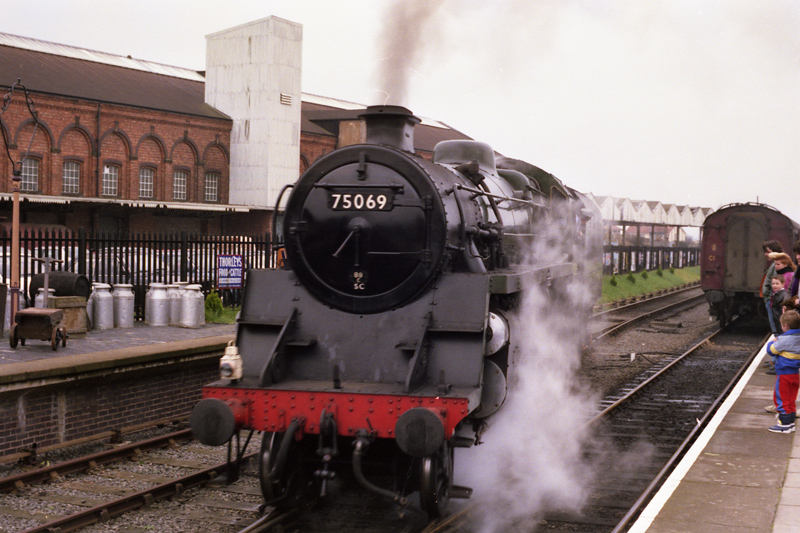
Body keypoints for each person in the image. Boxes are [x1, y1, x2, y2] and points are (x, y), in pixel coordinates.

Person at [765, 310, 800, 433]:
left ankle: (784, 425)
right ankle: (791, 423)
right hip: (795, 373)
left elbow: (771, 351)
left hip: (784, 373)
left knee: (782, 397)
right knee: (791, 398)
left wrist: (771, 342)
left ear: (785, 326)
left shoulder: (784, 339)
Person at [762, 241, 785, 335]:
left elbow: (778, 282)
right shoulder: (776, 264)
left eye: (768, 251)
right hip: (771, 299)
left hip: (772, 299)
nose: (766, 254)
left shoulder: (777, 265)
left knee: (776, 327)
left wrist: (771, 297)